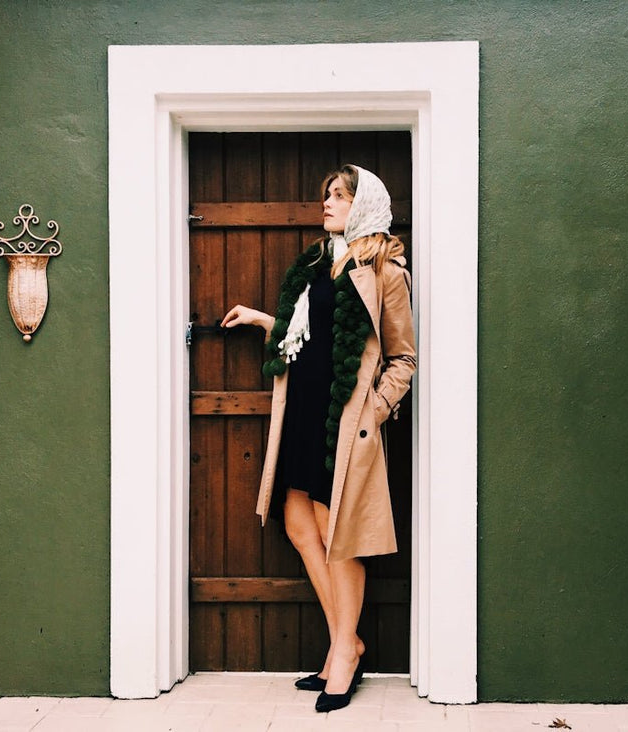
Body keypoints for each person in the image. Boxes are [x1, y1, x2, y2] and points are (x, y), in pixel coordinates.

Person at [221, 164, 416, 713]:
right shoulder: (315, 262)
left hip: (343, 419)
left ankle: (343, 657)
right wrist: (265, 320)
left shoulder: (384, 270)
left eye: (338, 195)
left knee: (337, 534)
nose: (326, 203)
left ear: (365, 204)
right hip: (301, 410)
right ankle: (346, 640)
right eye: (326, 195)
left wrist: (375, 411)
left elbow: (403, 357)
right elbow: (303, 333)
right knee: (298, 522)